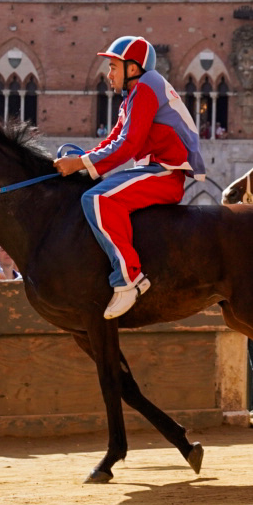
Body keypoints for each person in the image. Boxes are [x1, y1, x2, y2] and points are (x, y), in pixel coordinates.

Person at [56, 35, 205, 318]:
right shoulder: (134, 94)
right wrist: (82, 162)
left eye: (113, 67)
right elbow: (114, 138)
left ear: (133, 69)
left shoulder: (146, 89)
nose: (108, 74)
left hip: (165, 173)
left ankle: (129, 280)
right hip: (154, 170)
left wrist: (80, 164)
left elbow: (128, 145)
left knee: (98, 197)